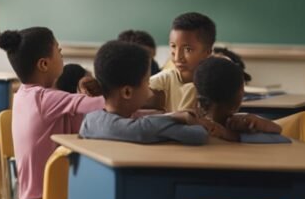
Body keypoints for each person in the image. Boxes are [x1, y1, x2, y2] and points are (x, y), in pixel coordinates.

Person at [2, 27, 103, 199]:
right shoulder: (43, 99)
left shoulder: (25, 95)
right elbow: (104, 105)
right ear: (44, 64)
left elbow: (76, 120)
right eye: (58, 50)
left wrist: (81, 92)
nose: (62, 54)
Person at [79, 40, 210, 145]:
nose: (151, 91)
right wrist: (178, 118)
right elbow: (199, 134)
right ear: (127, 92)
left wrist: (172, 115)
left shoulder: (89, 121)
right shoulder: (149, 128)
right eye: (147, 82)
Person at [193, 57, 284, 142]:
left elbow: (278, 130)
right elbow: (281, 137)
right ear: (239, 97)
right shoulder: (243, 125)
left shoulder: (192, 125)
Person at [146, 12, 217, 112]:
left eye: (188, 49)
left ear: (208, 52)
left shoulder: (216, 82)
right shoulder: (161, 81)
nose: (177, 57)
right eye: (173, 46)